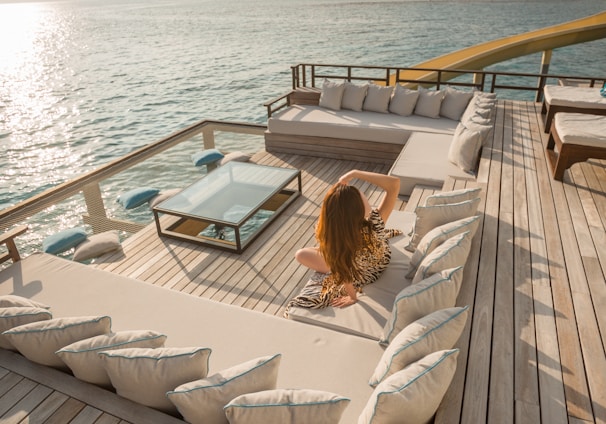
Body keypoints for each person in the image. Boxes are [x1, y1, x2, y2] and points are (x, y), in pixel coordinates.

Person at [285, 170, 401, 312]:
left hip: (362, 273)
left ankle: (341, 204)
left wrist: (352, 297)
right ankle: (349, 201)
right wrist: (355, 173)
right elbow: (394, 184)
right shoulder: (375, 223)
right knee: (351, 193)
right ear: (358, 209)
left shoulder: (334, 239)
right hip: (381, 259)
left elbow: (343, 272)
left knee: (301, 254)